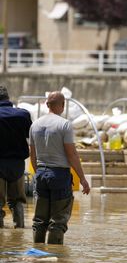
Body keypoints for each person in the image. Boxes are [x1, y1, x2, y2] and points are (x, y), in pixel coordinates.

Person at [29, 91, 90, 245]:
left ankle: (38, 257)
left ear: (46, 104)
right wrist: (82, 179)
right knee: (57, 222)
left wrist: (39, 173)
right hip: (59, 175)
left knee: (39, 220)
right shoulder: (64, 125)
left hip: (41, 173)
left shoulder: (34, 124)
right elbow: (72, 155)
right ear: (62, 105)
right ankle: (55, 261)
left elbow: (33, 155)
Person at [0, 85, 32, 228]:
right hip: (17, 165)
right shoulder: (22, 115)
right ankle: (19, 231)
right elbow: (29, 135)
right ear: (8, 98)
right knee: (17, 201)